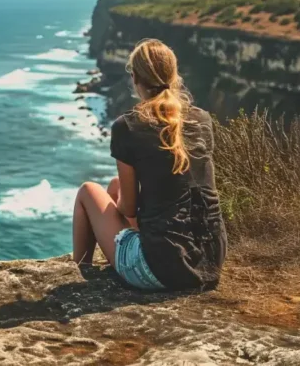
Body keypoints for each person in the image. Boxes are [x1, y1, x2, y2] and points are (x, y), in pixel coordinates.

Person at [71, 38, 227, 291]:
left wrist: (121, 206)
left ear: (134, 78)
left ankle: (80, 275)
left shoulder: (128, 126)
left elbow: (129, 208)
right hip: (210, 261)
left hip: (163, 269)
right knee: (114, 186)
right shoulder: (202, 119)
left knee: (88, 191)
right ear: (173, 76)